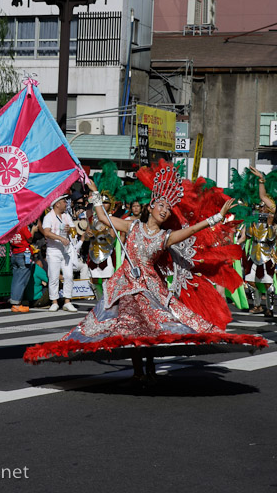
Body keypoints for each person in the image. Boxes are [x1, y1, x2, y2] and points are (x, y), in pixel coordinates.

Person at [25, 162, 267, 379]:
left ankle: (149, 364)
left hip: (150, 286)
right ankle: (139, 368)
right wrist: (94, 191)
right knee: (131, 325)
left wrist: (217, 217)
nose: (165, 210)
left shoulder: (165, 237)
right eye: (161, 205)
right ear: (151, 206)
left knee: (151, 325)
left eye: (169, 209)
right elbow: (102, 216)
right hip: (126, 284)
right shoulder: (132, 227)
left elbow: (192, 231)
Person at [246, 166, 277, 316]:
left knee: (268, 283)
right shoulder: (271, 211)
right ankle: (259, 305)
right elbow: (264, 197)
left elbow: (271, 237)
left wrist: (271, 225)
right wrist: (261, 180)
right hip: (257, 251)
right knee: (251, 280)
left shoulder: (272, 218)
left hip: (268, 253)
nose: (263, 207)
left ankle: (269, 308)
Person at [42, 194, 77, 312]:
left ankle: (67, 301)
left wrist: (70, 230)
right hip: (53, 250)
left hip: (66, 251)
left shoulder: (67, 216)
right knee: (53, 276)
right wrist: (60, 238)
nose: (66, 204)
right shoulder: (48, 217)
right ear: (57, 204)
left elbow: (74, 231)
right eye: (64, 202)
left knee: (69, 275)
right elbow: (46, 233)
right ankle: (54, 301)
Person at [9, 225, 37, 313]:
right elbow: (29, 238)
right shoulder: (22, 225)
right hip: (23, 253)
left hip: (14, 253)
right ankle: (16, 303)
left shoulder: (11, 226)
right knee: (22, 279)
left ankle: (14, 300)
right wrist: (33, 230)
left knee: (16, 278)